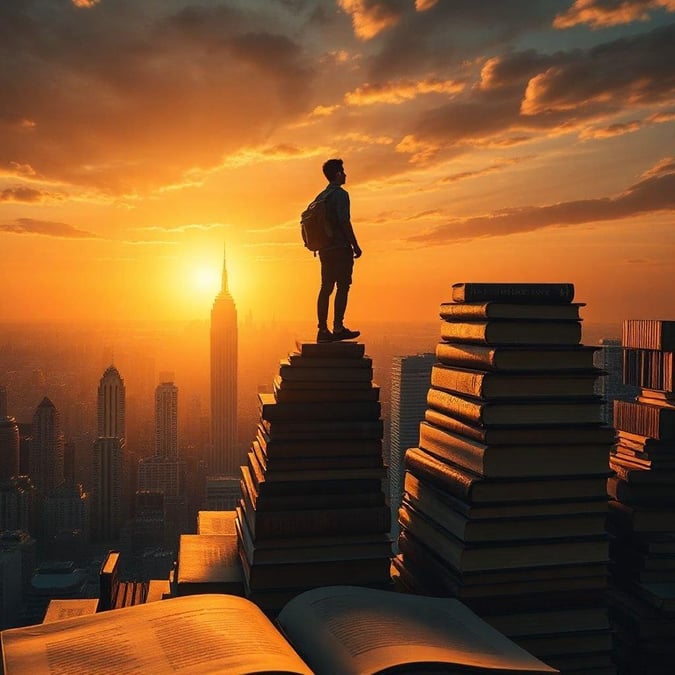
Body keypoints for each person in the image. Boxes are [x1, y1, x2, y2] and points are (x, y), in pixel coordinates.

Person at [315, 158, 362, 343]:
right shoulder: (341, 195)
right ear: (337, 174)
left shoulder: (321, 197)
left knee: (325, 288)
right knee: (343, 286)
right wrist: (355, 245)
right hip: (340, 248)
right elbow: (344, 222)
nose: (345, 174)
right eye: (343, 171)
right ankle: (338, 327)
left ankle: (322, 330)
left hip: (324, 250)